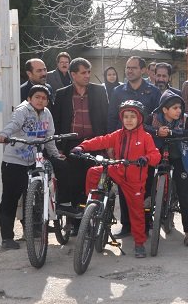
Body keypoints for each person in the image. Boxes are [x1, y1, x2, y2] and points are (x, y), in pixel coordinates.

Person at [71, 100, 161, 258]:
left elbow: (155, 155)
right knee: (93, 172)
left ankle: (139, 243)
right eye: (126, 116)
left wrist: (146, 159)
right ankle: (92, 205)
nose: (129, 120)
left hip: (135, 180)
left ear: (139, 118)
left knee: (137, 213)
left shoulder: (145, 137)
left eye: (133, 116)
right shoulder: (118, 135)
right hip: (117, 170)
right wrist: (82, 146)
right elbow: (101, 140)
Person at [0, 85, 63, 250]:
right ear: (30, 99)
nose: (40, 100)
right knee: (10, 199)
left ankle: (33, 231)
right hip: (14, 162)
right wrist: (3, 135)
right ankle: (7, 238)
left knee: (33, 197)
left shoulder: (47, 114)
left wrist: (55, 154)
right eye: (37, 97)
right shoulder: (22, 110)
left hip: (34, 161)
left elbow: (50, 137)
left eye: (44, 98)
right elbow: (14, 124)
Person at [107, 56, 161, 238]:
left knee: (145, 187)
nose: (129, 71)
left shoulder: (153, 92)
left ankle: (145, 223)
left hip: (144, 146)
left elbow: (156, 121)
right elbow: (112, 118)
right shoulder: (117, 91)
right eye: (127, 68)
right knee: (123, 186)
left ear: (143, 70)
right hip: (122, 147)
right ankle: (127, 225)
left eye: (133, 68)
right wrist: (111, 146)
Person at [51, 58, 109, 228]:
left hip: (94, 143)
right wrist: (58, 147)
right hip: (71, 144)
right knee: (74, 182)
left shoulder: (98, 91)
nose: (87, 76)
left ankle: (92, 222)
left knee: (92, 183)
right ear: (73, 74)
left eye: (89, 72)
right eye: (83, 73)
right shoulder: (62, 94)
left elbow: (105, 118)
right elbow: (57, 121)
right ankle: (76, 224)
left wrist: (108, 145)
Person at [146, 90, 188, 247]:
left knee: (185, 194)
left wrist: (173, 132)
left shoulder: (186, 119)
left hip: (180, 157)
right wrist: (157, 131)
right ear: (164, 109)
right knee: (146, 187)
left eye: (180, 107)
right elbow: (142, 126)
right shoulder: (154, 117)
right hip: (159, 155)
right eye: (175, 108)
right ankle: (146, 224)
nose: (179, 111)